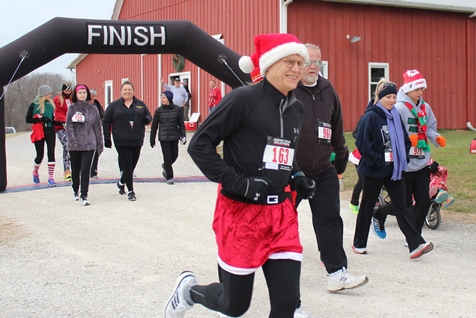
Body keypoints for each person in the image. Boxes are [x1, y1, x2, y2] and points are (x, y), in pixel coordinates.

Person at [164, 33, 316, 318]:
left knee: (286, 305)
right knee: (234, 306)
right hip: (240, 215)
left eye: (300, 62)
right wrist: (242, 184)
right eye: (289, 62)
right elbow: (200, 146)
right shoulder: (243, 99)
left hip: (281, 216)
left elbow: (283, 150)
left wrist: (297, 176)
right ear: (270, 65)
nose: (297, 68)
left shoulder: (296, 107)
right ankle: (188, 292)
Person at [292, 43, 368, 293]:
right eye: (308, 62)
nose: (313, 67)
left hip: (323, 169)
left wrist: (342, 155)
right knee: (278, 221)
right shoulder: (289, 89)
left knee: (329, 220)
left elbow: (337, 125)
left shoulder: (327, 89)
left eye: (318, 62)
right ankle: (247, 267)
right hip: (292, 171)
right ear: (298, 63)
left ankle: (336, 272)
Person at [353, 80, 434, 259]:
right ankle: (359, 243)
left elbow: (405, 140)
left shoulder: (395, 115)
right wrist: (377, 161)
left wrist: (403, 157)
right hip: (374, 171)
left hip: (394, 170)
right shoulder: (371, 117)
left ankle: (415, 244)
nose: (391, 100)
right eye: (387, 97)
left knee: (402, 206)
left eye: (393, 97)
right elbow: (362, 143)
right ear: (380, 98)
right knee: (367, 206)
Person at [394, 69, 446, 234]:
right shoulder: (399, 108)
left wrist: (435, 137)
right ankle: (380, 214)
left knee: (423, 199)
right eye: (416, 89)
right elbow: (393, 133)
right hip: (405, 163)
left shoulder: (426, 108)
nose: (420, 92)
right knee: (405, 202)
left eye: (421, 89)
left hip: (422, 161)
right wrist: (408, 140)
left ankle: (415, 235)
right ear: (407, 89)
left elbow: (429, 128)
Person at [102, 81, 152, 201]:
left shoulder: (140, 104)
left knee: (132, 165)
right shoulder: (114, 106)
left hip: (137, 138)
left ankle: (121, 182)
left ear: (133, 91)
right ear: (121, 91)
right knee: (127, 165)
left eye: (129, 89)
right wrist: (107, 138)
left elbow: (149, 116)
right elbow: (106, 122)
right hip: (121, 139)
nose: (127, 92)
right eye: (125, 90)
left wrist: (147, 119)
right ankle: (130, 190)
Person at [349, 78, 388, 215]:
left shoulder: (391, 115)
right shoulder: (368, 116)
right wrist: (368, 142)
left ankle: (378, 203)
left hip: (383, 155)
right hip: (362, 155)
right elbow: (356, 134)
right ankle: (354, 202)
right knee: (363, 181)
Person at [66, 84, 103, 206]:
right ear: (76, 95)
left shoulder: (93, 109)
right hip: (75, 145)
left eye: (84, 92)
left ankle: (84, 194)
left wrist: (100, 143)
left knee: (85, 170)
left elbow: (97, 127)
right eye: (80, 92)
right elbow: (69, 126)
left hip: (89, 144)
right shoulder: (72, 108)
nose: (82, 95)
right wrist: (72, 141)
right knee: (75, 170)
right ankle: (75, 189)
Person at [150, 91, 186, 185]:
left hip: (174, 136)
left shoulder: (177, 110)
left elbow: (181, 124)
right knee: (167, 157)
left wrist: (183, 135)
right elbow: (154, 125)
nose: (162, 99)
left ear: (169, 99)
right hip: (163, 137)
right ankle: (169, 177)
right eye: (161, 97)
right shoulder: (158, 111)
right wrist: (152, 138)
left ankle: (165, 165)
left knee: (174, 155)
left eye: (163, 97)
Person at [25, 85, 57, 187]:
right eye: (48, 94)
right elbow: (28, 119)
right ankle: (35, 171)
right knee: (40, 155)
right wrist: (40, 119)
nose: (50, 95)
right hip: (39, 131)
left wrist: (60, 123)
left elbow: (52, 119)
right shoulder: (34, 105)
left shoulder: (51, 105)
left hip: (50, 130)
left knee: (51, 152)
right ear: (43, 94)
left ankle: (51, 177)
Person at [53, 82, 73, 181]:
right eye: (66, 90)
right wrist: (64, 121)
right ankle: (67, 170)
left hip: (72, 126)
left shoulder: (73, 99)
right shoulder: (57, 100)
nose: (68, 92)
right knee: (66, 145)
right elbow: (57, 112)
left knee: (73, 146)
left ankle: (73, 169)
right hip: (60, 127)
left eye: (69, 90)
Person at [89, 89, 105, 179]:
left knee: (96, 151)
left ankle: (94, 171)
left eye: (94, 96)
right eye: (91, 96)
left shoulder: (98, 106)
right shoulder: (83, 105)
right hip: (86, 132)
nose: (92, 98)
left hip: (96, 130)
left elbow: (103, 116)